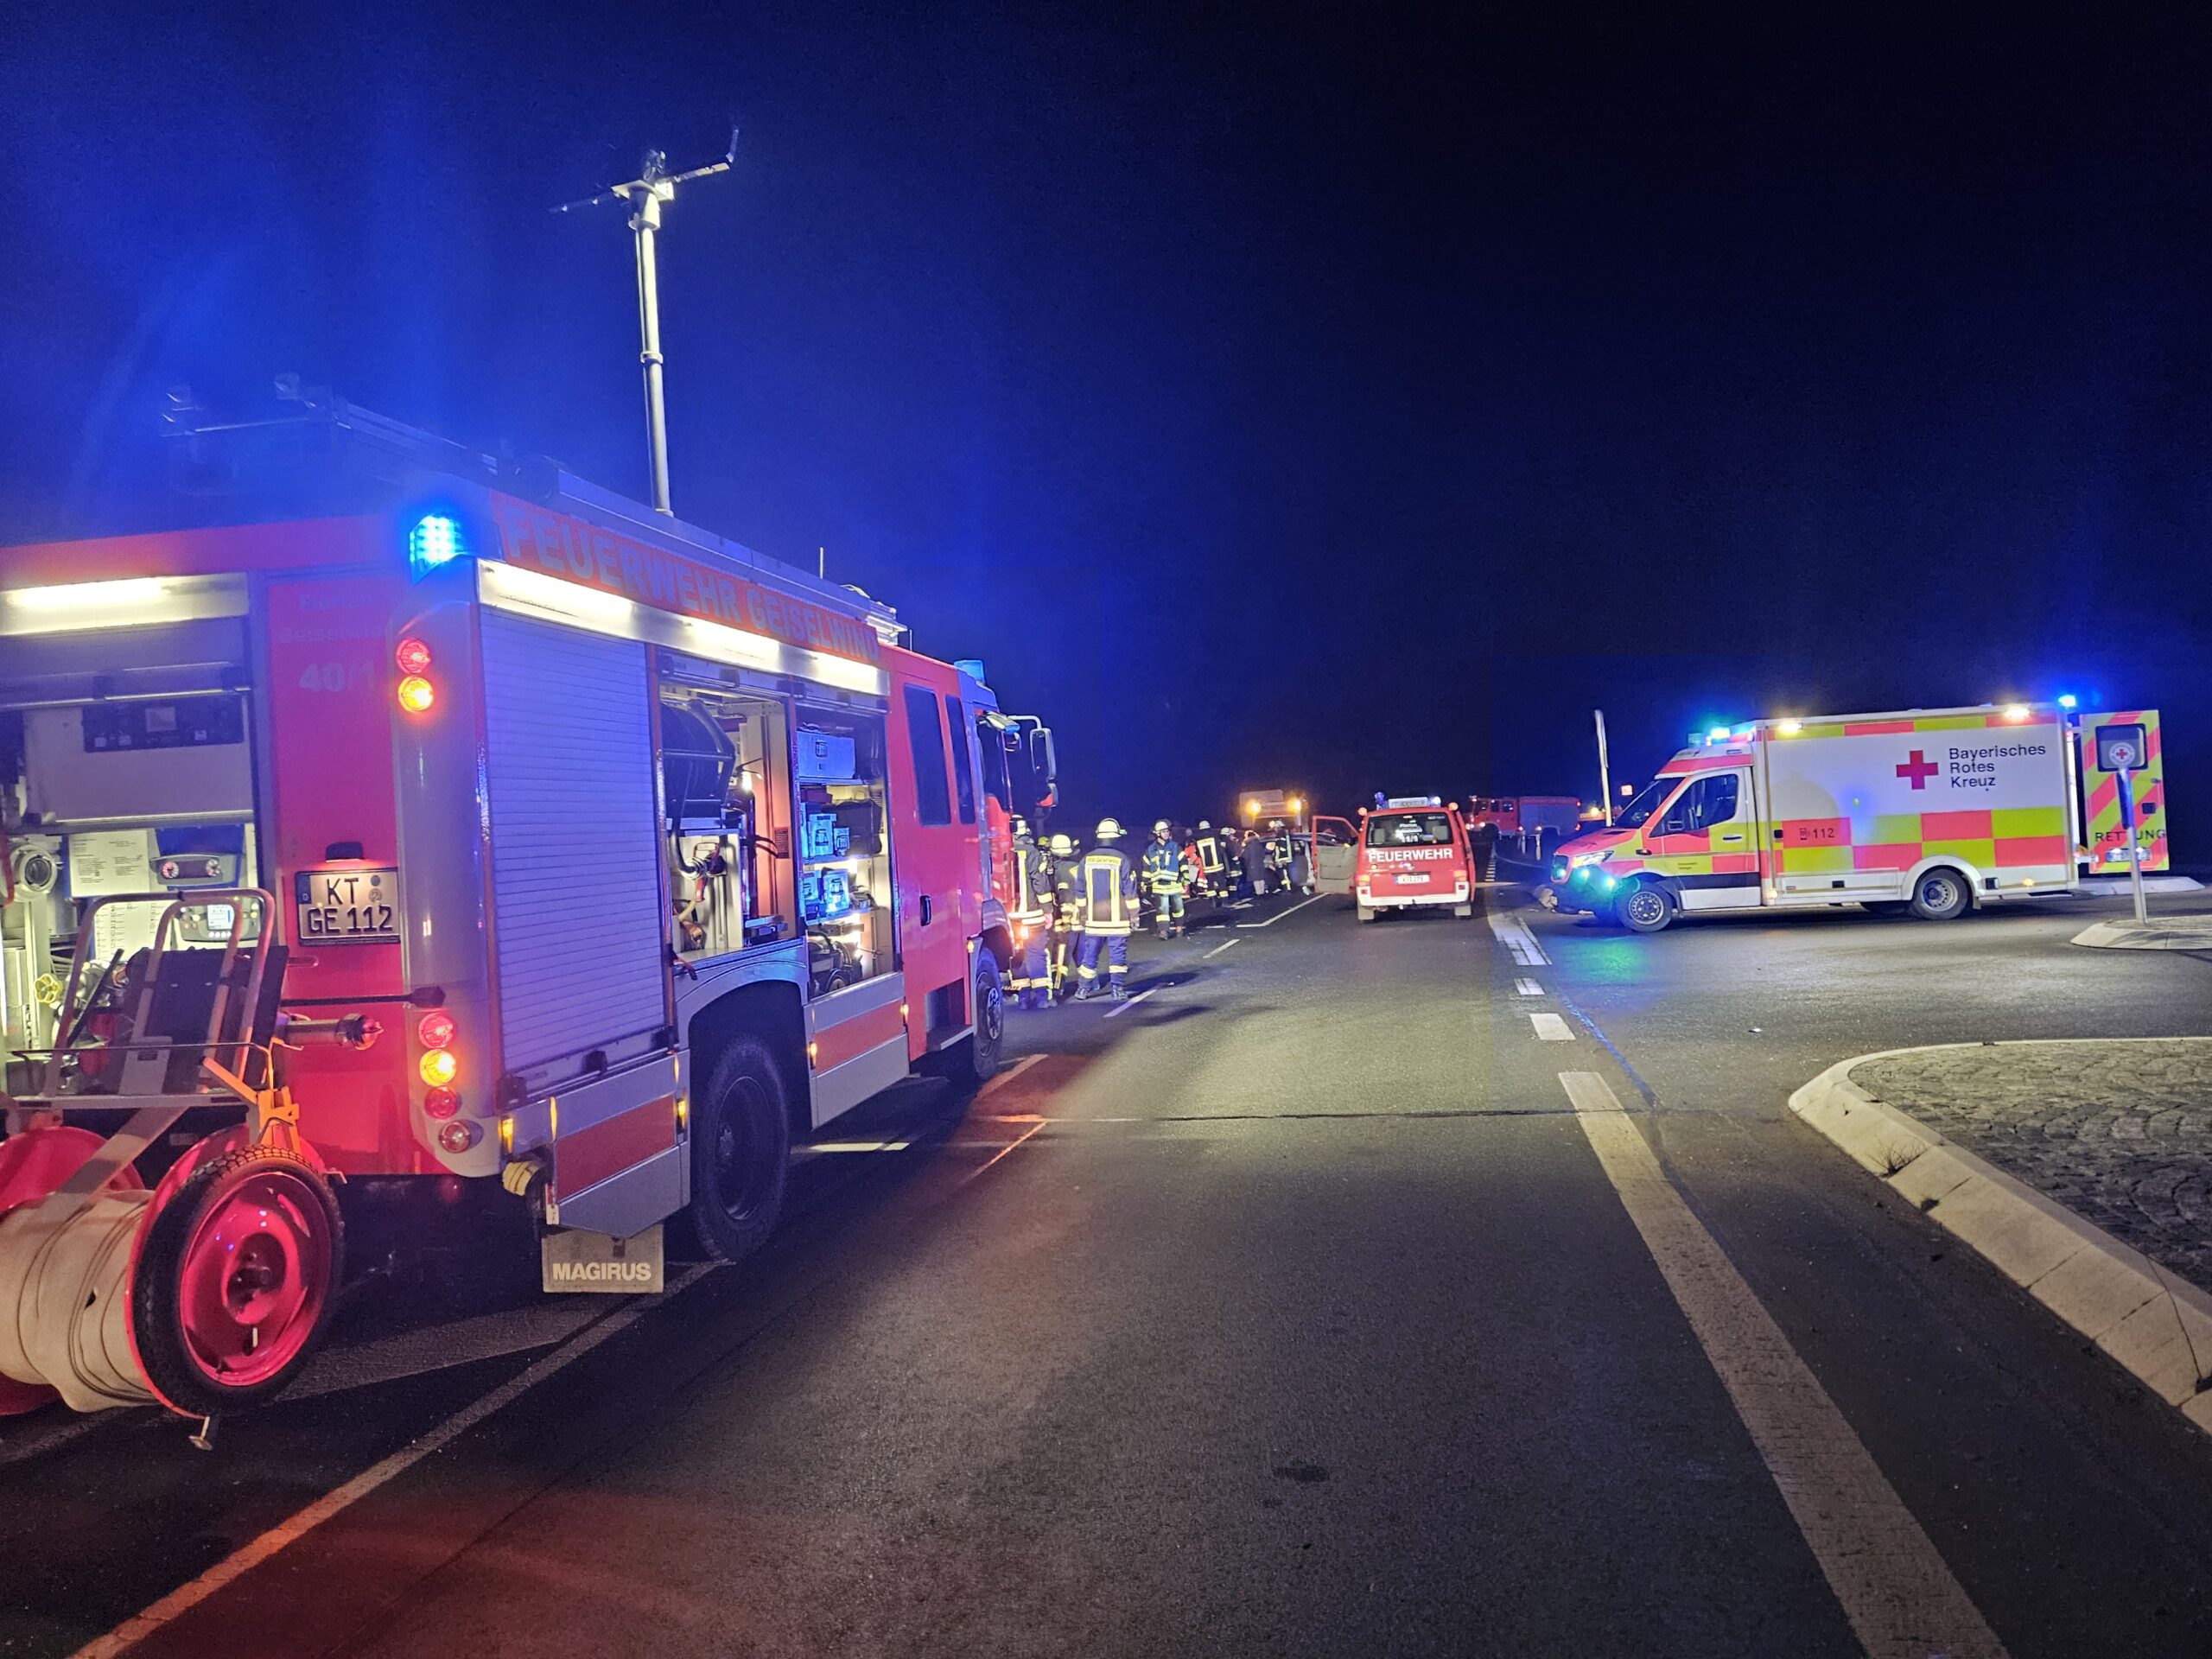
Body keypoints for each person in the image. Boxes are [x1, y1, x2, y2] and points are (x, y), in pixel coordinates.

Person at [1076, 817, 1139, 999]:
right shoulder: (1122, 859)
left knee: (1090, 955)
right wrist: (1134, 916)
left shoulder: (1086, 860)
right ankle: (1117, 990)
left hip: (1094, 919)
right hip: (1118, 919)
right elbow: (1129, 891)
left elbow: (1080, 891)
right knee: (1117, 955)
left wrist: (1082, 914)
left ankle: (1083, 989)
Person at [1007, 816, 1052, 1009]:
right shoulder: (1031, 851)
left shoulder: (998, 848)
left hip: (1008, 918)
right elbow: (1039, 882)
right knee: (1036, 953)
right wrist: (1048, 910)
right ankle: (1042, 998)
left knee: (1015, 956)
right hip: (1032, 915)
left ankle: (1023, 998)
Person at [1048, 831, 1084, 999]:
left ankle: (1057, 988)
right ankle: (1089, 983)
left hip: (1067, 919)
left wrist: (1066, 918)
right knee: (1082, 953)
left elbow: (1066, 894)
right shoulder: (1077, 866)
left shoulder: (1060, 870)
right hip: (1083, 918)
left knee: (1061, 956)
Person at [1141, 819, 1189, 939]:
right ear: (1158, 834)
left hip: (1174, 884)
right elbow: (1146, 867)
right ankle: (1163, 931)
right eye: (1164, 832)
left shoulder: (1175, 847)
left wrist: (1185, 876)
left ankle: (1179, 929)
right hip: (1159, 885)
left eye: (1167, 831)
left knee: (1178, 908)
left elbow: (1183, 861)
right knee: (1162, 910)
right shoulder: (1151, 850)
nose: (1167, 833)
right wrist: (1144, 882)